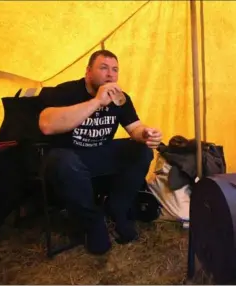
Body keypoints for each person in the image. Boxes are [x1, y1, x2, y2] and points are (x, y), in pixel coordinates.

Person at [38, 50, 162, 255]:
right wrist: (96, 102)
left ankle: (118, 208)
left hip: (99, 155)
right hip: (69, 156)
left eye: (115, 70)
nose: (110, 75)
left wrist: (147, 134)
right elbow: (46, 125)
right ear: (88, 72)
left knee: (141, 150)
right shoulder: (66, 92)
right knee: (63, 159)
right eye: (103, 68)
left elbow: (135, 128)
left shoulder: (121, 98)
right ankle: (93, 222)